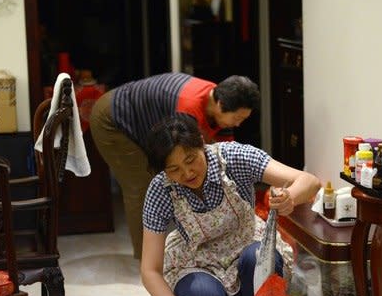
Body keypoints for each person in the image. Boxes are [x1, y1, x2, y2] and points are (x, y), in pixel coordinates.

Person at [139, 114, 321, 296]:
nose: (187, 173)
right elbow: (149, 270)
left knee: (257, 260)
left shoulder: (234, 158)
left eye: (191, 159)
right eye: (174, 169)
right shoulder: (160, 189)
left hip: (248, 245)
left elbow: (309, 181)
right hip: (198, 261)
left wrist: (290, 198)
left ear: (202, 144)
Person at [90, 72, 260, 260]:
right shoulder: (187, 108)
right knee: (141, 187)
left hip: (140, 119)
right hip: (112, 119)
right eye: (238, 118)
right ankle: (149, 260)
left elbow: (224, 158)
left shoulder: (223, 99)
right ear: (220, 105)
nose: (238, 124)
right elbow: (178, 159)